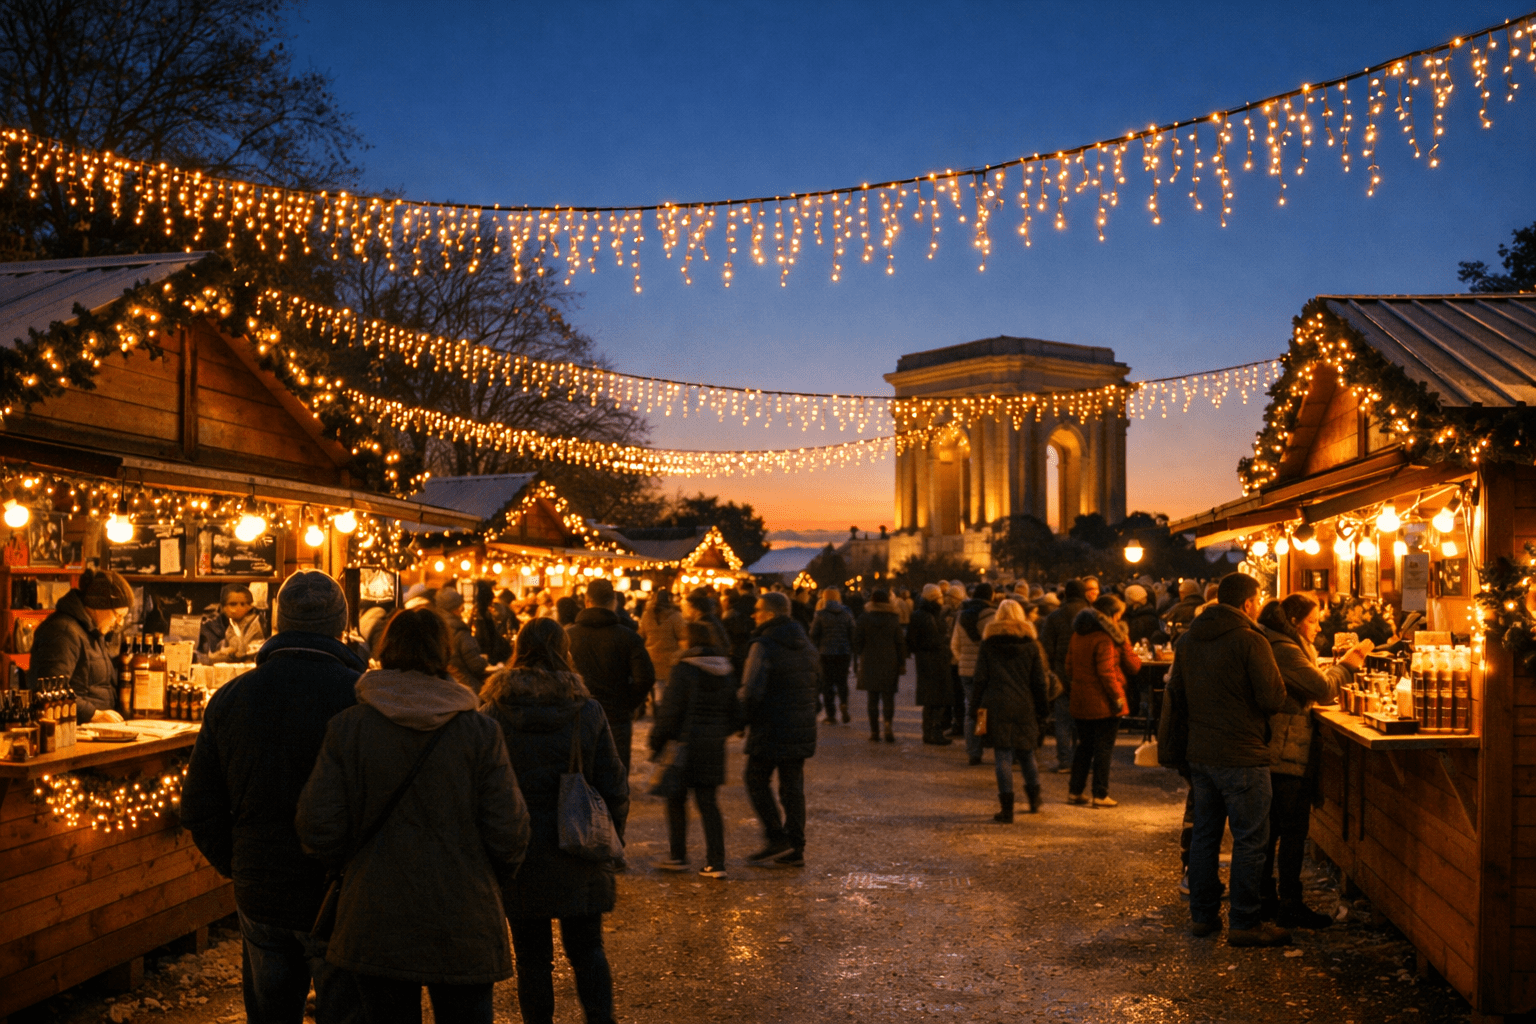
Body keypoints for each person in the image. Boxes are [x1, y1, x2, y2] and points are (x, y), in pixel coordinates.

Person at [295, 607, 530, 1024]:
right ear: (443, 652)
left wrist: (354, 866)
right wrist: (485, 875)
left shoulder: (350, 727)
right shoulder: (479, 733)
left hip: (374, 912)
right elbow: (509, 829)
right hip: (463, 911)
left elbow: (318, 824)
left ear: (386, 649)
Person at [182, 570, 368, 1024]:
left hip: (261, 886)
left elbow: (198, 806)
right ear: (340, 625)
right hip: (339, 892)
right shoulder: (362, 698)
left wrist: (240, 862)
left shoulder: (232, 697)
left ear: (280, 623)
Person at [480, 618, 628, 1024]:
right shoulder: (587, 711)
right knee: (588, 949)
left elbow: (484, 787)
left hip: (519, 848)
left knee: (532, 958)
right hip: (579, 844)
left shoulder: (493, 712)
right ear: (565, 652)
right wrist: (611, 837)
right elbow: (613, 783)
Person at [1163, 572, 1290, 947]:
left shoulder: (1189, 640)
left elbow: (1177, 694)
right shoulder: (1251, 640)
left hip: (1201, 754)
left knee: (1205, 835)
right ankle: (1244, 922)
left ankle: (1202, 917)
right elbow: (1273, 698)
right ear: (1249, 603)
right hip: (1243, 754)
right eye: (1258, 600)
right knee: (1250, 839)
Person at [1258, 594, 1368, 928]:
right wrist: (1347, 664)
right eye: (1312, 621)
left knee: (1277, 829)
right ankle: (1284, 904)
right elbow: (1321, 688)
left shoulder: (1282, 643)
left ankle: (1270, 899)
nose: (1318, 628)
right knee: (1288, 829)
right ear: (1293, 622)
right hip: (1284, 749)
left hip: (1280, 746)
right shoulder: (1284, 649)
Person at [650, 622, 742, 877]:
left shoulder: (683, 669)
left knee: (676, 800)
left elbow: (670, 710)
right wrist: (717, 733)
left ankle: (678, 856)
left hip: (685, 745)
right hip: (712, 747)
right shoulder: (726, 670)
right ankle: (716, 862)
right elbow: (737, 714)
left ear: (687, 642)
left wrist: (657, 741)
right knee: (708, 803)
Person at [740, 591, 819, 867]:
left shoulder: (763, 645)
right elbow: (816, 682)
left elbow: (751, 690)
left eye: (758, 610)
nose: (753, 615)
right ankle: (795, 846)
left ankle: (776, 838)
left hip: (770, 725)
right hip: (800, 724)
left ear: (770, 614)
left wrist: (741, 720)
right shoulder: (805, 643)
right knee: (793, 787)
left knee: (755, 778)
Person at [564, 578, 654, 775]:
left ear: (587, 601)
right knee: (615, 776)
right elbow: (645, 677)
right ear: (614, 601)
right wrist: (628, 703)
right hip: (615, 716)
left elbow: (557, 675)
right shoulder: (628, 636)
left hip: (577, 714)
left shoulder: (567, 636)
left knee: (580, 776)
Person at [972, 599, 1050, 822]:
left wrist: (974, 707)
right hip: (1024, 704)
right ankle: (1034, 798)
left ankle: (1006, 808)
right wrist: (1043, 708)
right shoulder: (1031, 645)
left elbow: (980, 679)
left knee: (1002, 755)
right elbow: (1038, 681)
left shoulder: (988, 644)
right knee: (1027, 753)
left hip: (996, 703)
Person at [28, 567, 133, 723]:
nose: (120, 623)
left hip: (97, 727)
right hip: (75, 729)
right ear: (99, 605)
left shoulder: (93, 632)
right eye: (118, 615)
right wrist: (94, 714)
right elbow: (50, 692)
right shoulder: (63, 631)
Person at [1066, 593, 1140, 808]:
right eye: (1119, 615)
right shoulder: (1106, 638)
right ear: (1112, 615)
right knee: (1104, 749)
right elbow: (1109, 672)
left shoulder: (1077, 635)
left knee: (1084, 747)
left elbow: (1068, 667)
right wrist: (1117, 697)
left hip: (1080, 699)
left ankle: (1075, 791)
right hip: (1103, 702)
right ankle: (1100, 793)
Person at [1040, 578, 1096, 772]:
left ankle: (1064, 760)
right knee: (1084, 721)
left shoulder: (1054, 617)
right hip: (1087, 674)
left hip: (1061, 674)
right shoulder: (1093, 615)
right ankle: (1082, 760)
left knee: (1063, 720)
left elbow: (1046, 648)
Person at [950, 582, 997, 766]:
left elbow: (954, 644)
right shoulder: (992, 616)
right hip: (987, 671)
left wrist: (963, 660)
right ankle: (982, 740)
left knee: (972, 708)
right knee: (983, 709)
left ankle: (973, 751)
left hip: (966, 671)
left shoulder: (961, 615)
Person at [852, 588, 907, 743]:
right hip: (890, 661)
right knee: (888, 697)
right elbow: (900, 643)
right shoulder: (893, 618)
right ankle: (888, 725)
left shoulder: (864, 618)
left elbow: (857, 640)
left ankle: (874, 731)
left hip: (869, 661)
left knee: (872, 698)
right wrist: (902, 662)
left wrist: (860, 653)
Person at [908, 584, 953, 746]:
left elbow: (912, 641)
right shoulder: (931, 615)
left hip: (926, 661)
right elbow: (932, 639)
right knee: (938, 698)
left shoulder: (919, 614)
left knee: (931, 700)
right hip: (935, 660)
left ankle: (929, 732)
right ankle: (935, 732)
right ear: (935, 598)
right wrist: (943, 645)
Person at [809, 587, 856, 725]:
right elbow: (853, 632)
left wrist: (817, 646)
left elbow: (813, 634)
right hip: (843, 652)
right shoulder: (846, 613)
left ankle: (831, 715)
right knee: (842, 681)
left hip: (826, 652)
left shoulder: (821, 614)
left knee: (827, 683)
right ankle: (844, 703)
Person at [198, 583, 267, 664]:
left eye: (242, 604)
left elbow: (241, 653)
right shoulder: (230, 624)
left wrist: (228, 653)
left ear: (249, 606)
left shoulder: (254, 623)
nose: (238, 608)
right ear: (223, 608)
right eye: (233, 604)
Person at [434, 587, 490, 687]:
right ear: (456, 608)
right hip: (466, 685)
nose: (463, 609)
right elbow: (476, 665)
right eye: (461, 606)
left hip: (444, 684)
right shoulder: (460, 631)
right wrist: (485, 661)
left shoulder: (436, 627)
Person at [638, 588, 688, 696]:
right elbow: (684, 637)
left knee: (656, 692)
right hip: (669, 662)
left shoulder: (646, 615)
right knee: (666, 693)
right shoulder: (676, 616)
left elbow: (641, 635)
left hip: (651, 659)